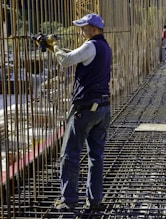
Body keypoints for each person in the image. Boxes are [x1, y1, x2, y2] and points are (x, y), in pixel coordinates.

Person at [42, 13, 112, 211]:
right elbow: (74, 56)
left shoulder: (90, 45)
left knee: (70, 155)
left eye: (84, 27)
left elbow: (65, 60)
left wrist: (54, 45)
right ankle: (95, 199)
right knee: (96, 156)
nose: (81, 30)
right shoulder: (105, 46)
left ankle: (69, 200)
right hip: (104, 108)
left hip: (85, 109)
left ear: (93, 29)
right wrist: (52, 47)